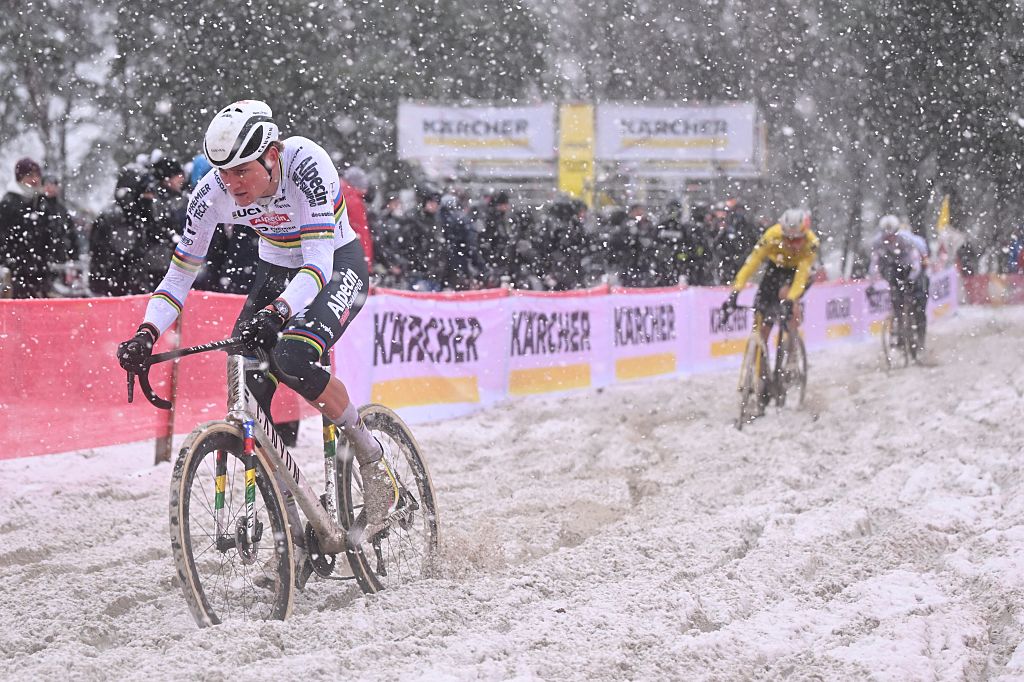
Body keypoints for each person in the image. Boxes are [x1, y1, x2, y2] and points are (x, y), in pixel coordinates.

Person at [115, 100, 398, 534]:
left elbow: (319, 264)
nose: (231, 184)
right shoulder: (210, 193)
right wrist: (146, 332)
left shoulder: (306, 162)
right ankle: (293, 527)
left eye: (241, 171)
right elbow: (178, 277)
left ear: (271, 155)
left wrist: (280, 311)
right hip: (277, 266)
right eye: (222, 173)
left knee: (294, 357)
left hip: (336, 262)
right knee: (247, 379)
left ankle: (371, 458)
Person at [721, 208, 820, 342]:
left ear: (804, 235)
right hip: (776, 266)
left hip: (797, 270)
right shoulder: (772, 235)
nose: (791, 244)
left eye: (796, 240)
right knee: (761, 314)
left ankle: (792, 343)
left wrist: (791, 300)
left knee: (785, 295)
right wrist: (736, 290)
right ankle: (760, 353)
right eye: (787, 239)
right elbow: (751, 263)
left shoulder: (811, 243)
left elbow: (801, 276)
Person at [867, 214, 925, 352]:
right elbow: (874, 264)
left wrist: (912, 279)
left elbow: (916, 261)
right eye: (886, 237)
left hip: (909, 266)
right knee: (896, 298)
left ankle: (919, 333)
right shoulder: (878, 243)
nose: (889, 239)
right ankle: (899, 328)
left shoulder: (907, 240)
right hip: (892, 267)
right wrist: (872, 283)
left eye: (892, 235)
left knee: (917, 298)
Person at [0, 157, 50, 298]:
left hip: (40, 272)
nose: (34, 180)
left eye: (37, 175)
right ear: (19, 178)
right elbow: (3, 237)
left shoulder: (42, 203)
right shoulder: (8, 203)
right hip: (16, 272)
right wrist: (9, 263)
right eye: (29, 175)